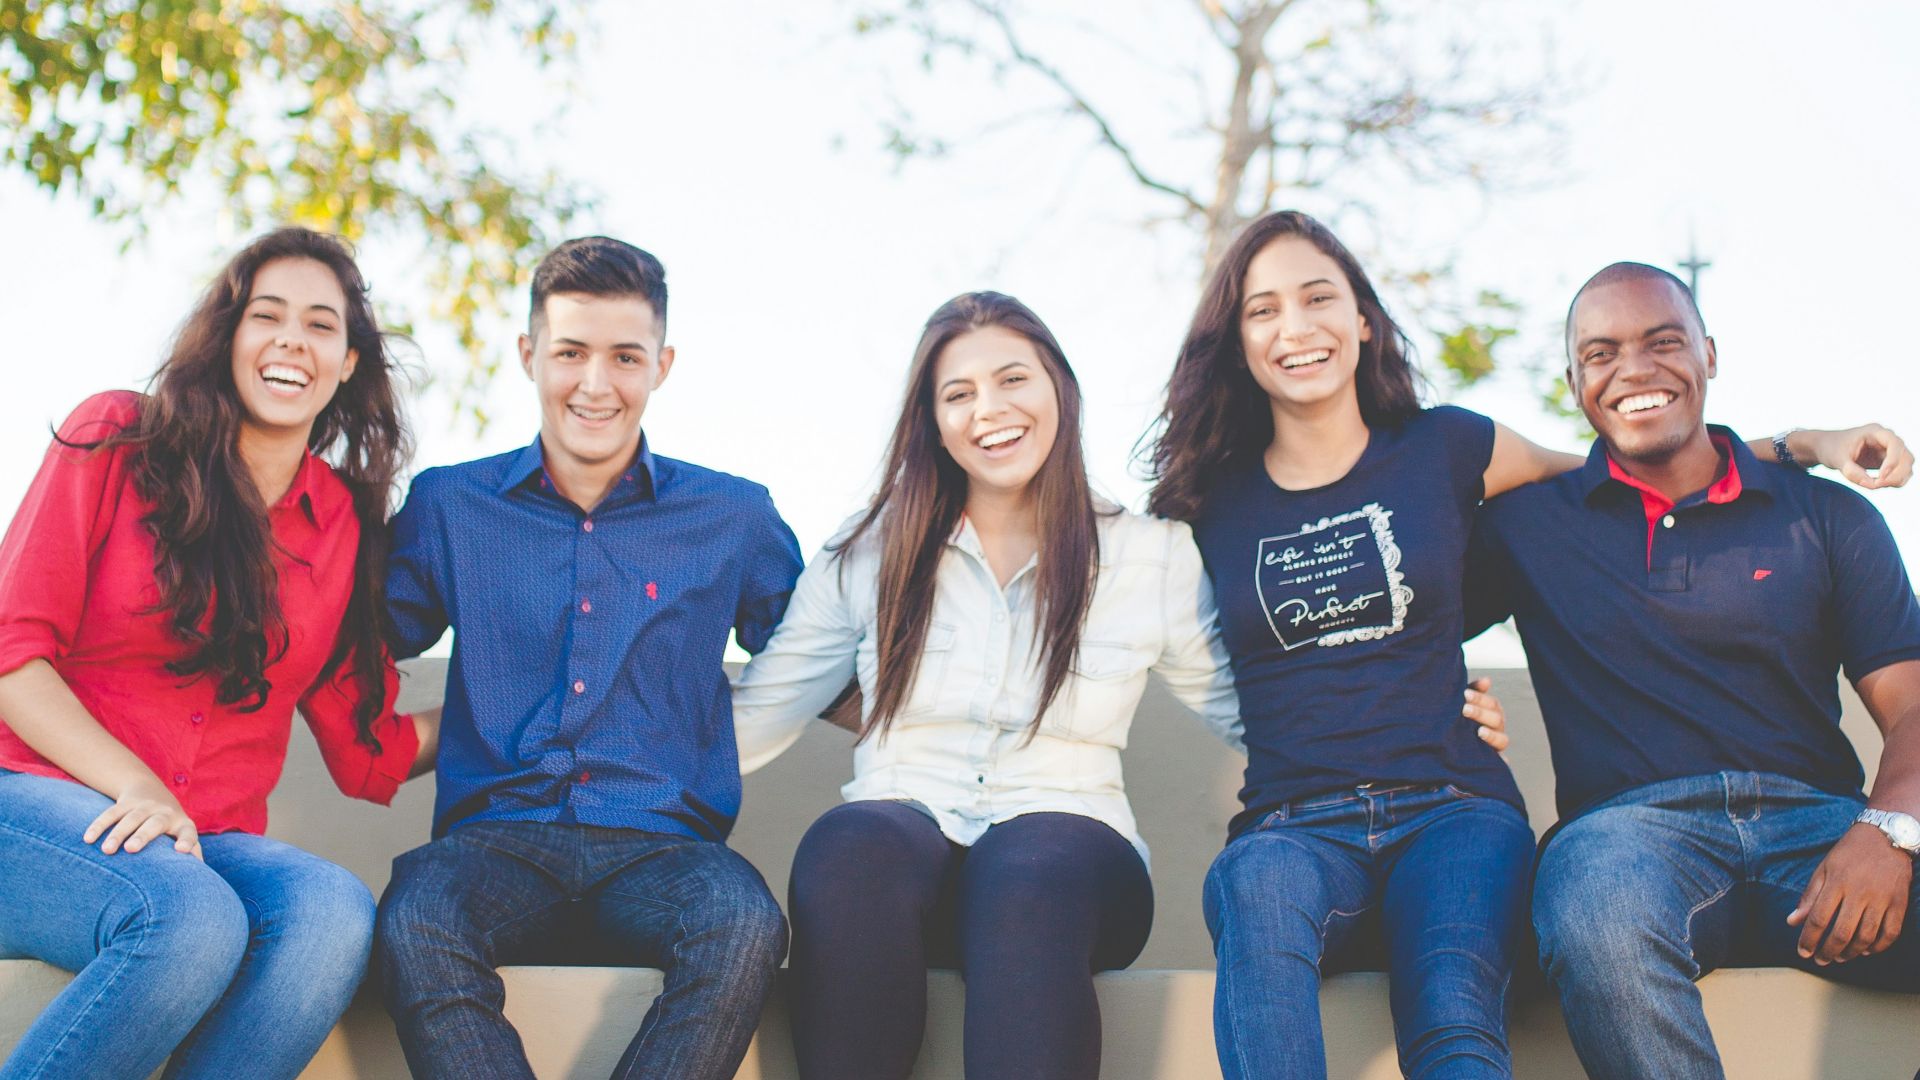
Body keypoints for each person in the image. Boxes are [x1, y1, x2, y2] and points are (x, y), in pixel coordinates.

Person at [1141, 210, 1900, 1080]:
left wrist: (1799, 446)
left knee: (1454, 1014)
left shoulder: (1452, 446)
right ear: (1235, 338)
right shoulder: (1215, 500)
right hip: (1362, 823)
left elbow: (1635, 461)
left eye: (1320, 297)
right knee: (1266, 896)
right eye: (1262, 309)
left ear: (1362, 320)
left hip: (1488, 808)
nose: (1296, 325)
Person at [728, 291, 1509, 1080]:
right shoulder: (869, 552)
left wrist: (1428, 712)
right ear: (931, 420)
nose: (988, 410)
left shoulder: (1148, 556)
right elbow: (756, 718)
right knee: (849, 846)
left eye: (1012, 380)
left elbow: (1267, 711)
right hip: (902, 851)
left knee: (1026, 869)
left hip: (1071, 849)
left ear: (1059, 390)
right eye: (957, 394)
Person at [1465, 262, 1920, 1080]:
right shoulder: (1527, 524)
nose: (1633, 370)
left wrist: (1890, 831)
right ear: (1574, 384)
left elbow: (1912, 706)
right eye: (1600, 353)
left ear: (1709, 355)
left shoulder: (1826, 513)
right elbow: (1395, 621)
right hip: (1628, 839)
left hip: (1820, 831)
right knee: (1593, 910)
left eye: (1662, 342)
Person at [0, 227, 434, 1080]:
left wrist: (534, 709)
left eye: (320, 325)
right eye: (266, 316)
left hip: (202, 840)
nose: (290, 341)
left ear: (347, 363)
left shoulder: (343, 523)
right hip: (33, 806)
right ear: (229, 337)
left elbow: (365, 748)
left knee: (330, 914)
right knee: (192, 917)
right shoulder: (119, 437)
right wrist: (134, 782)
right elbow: (12, 654)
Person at [373, 236, 804, 1080]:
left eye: (625, 356)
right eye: (570, 352)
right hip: (493, 842)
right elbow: (351, 645)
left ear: (663, 364)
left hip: (663, 849)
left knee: (745, 921)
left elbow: (822, 660)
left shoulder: (734, 515)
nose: (595, 383)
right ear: (530, 353)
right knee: (414, 916)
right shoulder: (449, 505)